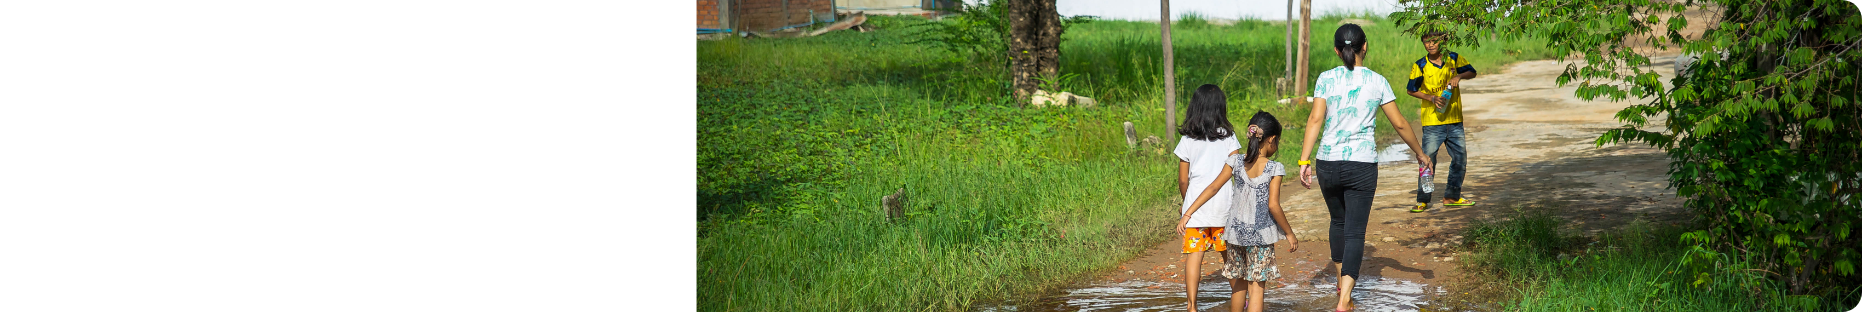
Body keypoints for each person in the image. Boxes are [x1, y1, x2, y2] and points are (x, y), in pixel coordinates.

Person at [1294, 23, 1434, 312]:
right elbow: (1399, 123)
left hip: (1328, 163)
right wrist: (1420, 154)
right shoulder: (1377, 81)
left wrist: (1304, 160)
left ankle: (1340, 284)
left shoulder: (1326, 78)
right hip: (1361, 165)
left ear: (1337, 51)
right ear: (1365, 46)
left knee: (1338, 222)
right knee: (1355, 232)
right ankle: (1345, 299)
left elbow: (1315, 119)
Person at [1219, 111, 1299, 312]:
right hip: (1260, 237)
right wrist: (1289, 233)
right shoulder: (1274, 168)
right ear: (1271, 139)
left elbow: (1213, 187)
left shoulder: (1235, 161)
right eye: (1277, 141)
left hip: (1235, 234)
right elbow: (1273, 205)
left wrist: (1189, 211)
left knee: (1238, 284)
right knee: (1256, 289)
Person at [1173, 84, 1241, 312]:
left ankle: (1191, 305)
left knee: (1194, 256)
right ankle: (1240, 300)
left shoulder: (1187, 140)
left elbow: (1183, 180)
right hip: (1224, 207)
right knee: (1229, 257)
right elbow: (1236, 170)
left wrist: (1188, 204)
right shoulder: (1229, 137)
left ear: (1194, 107)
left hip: (1196, 210)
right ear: (1221, 108)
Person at [1406, 31, 1480, 212]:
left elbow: (1472, 72)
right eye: (1426, 42)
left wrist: (1459, 76)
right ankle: (1423, 200)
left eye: (1434, 41)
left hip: (1454, 120)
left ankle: (1452, 197)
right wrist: (1431, 98)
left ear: (1443, 41)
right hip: (1432, 122)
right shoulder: (1420, 65)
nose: (1430, 45)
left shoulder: (1453, 58)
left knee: (1460, 159)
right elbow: (1411, 90)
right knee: (1427, 160)